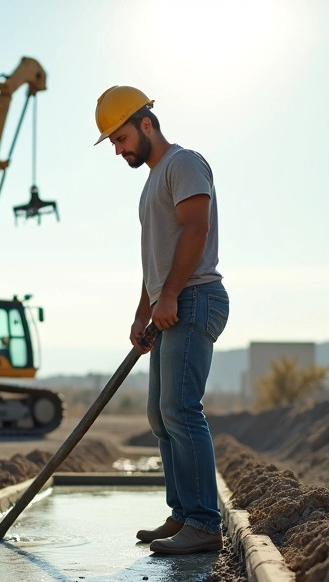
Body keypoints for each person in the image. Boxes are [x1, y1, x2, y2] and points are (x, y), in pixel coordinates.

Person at [94, 86, 230, 555]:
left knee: (181, 409)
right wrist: (143, 309)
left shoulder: (184, 163)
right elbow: (156, 256)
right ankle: (183, 514)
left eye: (121, 137)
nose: (118, 148)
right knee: (159, 415)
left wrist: (169, 294)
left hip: (195, 298)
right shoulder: (151, 182)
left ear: (146, 123)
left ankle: (205, 523)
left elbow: (197, 228)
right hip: (171, 302)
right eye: (112, 141)